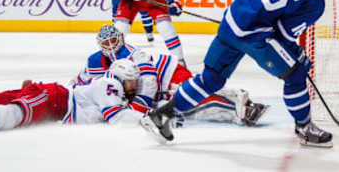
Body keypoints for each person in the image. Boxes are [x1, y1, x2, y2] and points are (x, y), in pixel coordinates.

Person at [140, 0, 339, 148]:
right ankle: (305, 128)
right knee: (296, 74)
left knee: (211, 79)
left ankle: (161, 116)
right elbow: (284, 34)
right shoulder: (316, 3)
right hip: (253, 33)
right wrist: (298, 55)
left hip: (233, 17)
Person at [71, 24, 268, 126]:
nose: (110, 46)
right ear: (100, 45)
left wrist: (138, 107)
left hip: (168, 74)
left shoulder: (134, 54)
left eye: (113, 40)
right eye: (105, 44)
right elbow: (80, 81)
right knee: (188, 107)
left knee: (192, 96)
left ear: (121, 38)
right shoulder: (94, 61)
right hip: (161, 89)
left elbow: (148, 82)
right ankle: (235, 102)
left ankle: (238, 102)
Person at [0, 59, 144, 132]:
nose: (133, 86)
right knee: (14, 114)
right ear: (120, 77)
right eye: (131, 81)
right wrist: (147, 118)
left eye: (135, 82)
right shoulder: (111, 84)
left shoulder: (107, 84)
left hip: (52, 97)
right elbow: (116, 116)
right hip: (54, 100)